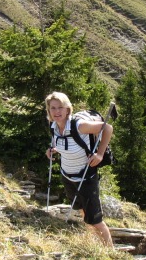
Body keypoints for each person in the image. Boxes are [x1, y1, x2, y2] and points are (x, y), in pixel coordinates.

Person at [45, 91, 114, 246]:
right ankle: (94, 243)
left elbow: (107, 128)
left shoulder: (79, 125)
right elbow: (63, 142)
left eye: (60, 108)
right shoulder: (54, 126)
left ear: (67, 109)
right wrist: (53, 150)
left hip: (85, 177)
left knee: (95, 219)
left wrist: (100, 154)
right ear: (49, 110)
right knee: (82, 210)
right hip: (67, 176)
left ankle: (110, 252)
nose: (57, 112)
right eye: (53, 108)